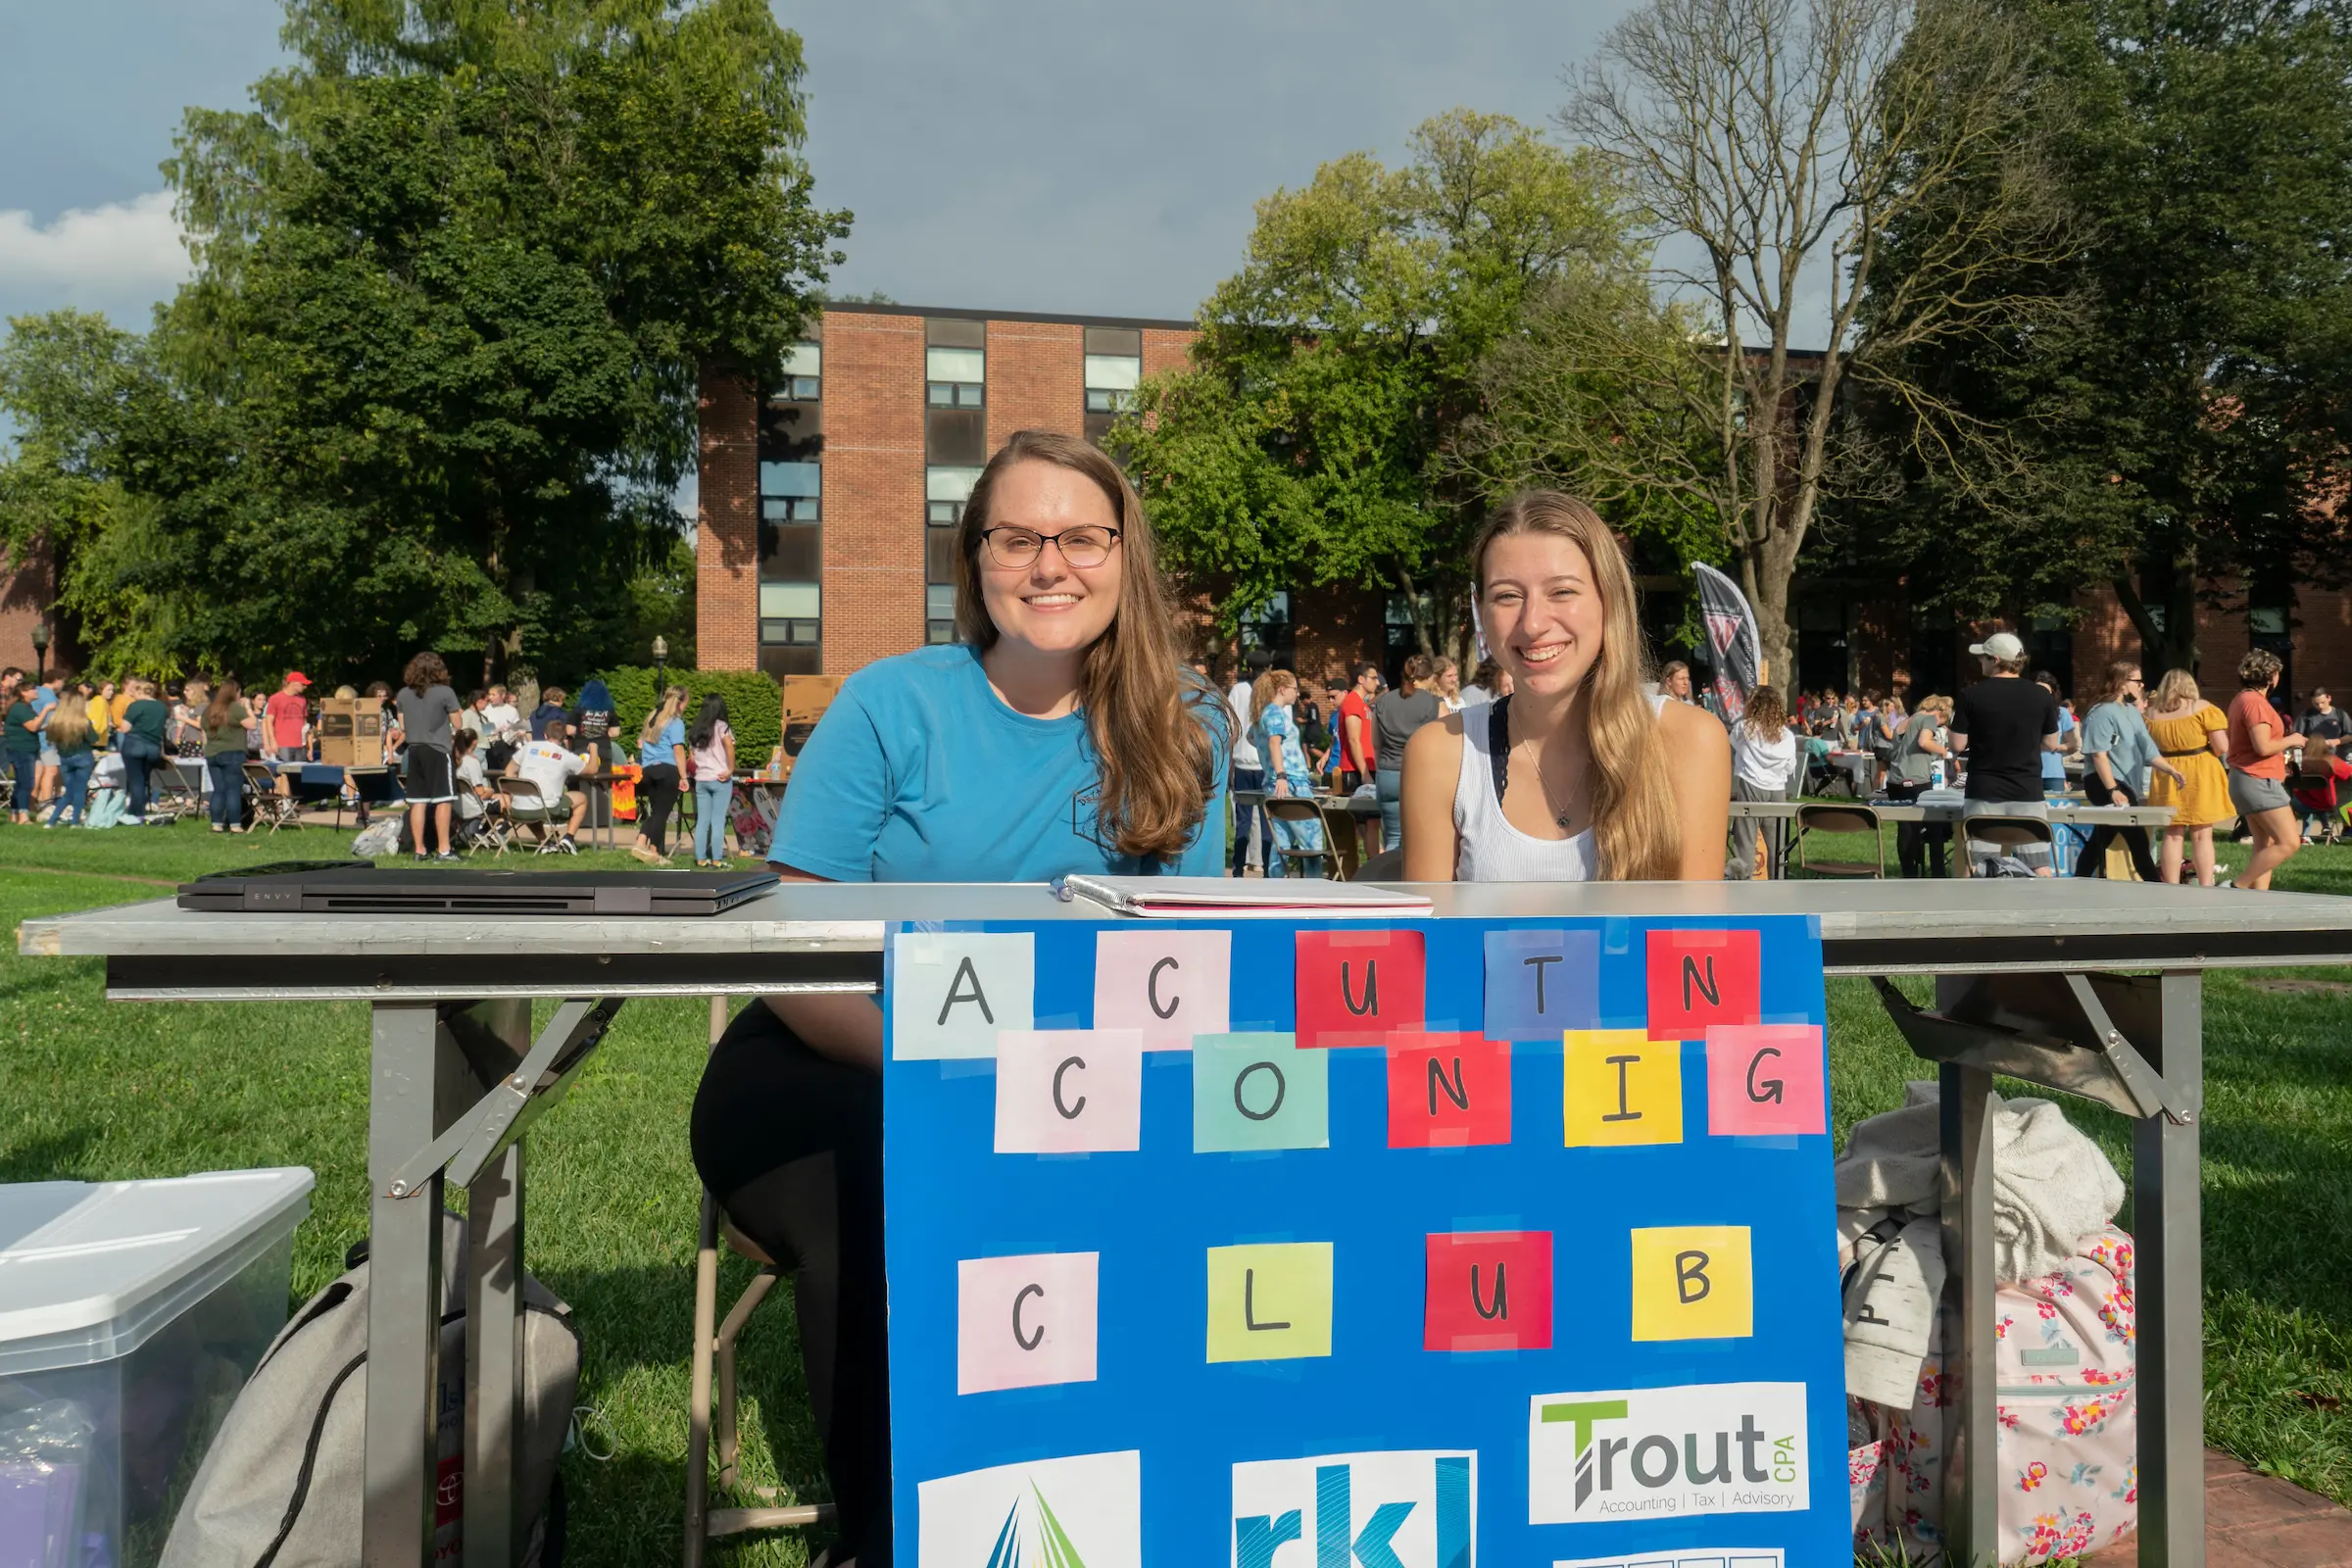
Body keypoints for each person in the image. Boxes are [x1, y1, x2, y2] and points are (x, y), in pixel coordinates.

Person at [689, 428, 1227, 1568]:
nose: (1050, 564)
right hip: (841, 1056)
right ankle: (888, 1536)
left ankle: (1132, 1499)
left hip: (1084, 1082)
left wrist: (1059, 1089)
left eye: (1081, 536)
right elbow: (792, 951)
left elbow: (1187, 964)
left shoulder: (1187, 728)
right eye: (1016, 537)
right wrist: (954, 1077)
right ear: (972, 560)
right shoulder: (892, 705)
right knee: (893, 1171)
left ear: (1125, 556)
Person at [1400, 491, 1730, 881]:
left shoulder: (1689, 741)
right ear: (1481, 610)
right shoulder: (1440, 752)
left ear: (1609, 600)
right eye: (1507, 596)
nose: (1533, 623)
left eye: (1562, 591)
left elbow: (1694, 937)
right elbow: (1430, 940)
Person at [1948, 631, 2063, 875]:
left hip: (1984, 791)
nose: (1980, 661)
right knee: (2039, 865)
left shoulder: (1971, 695)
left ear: (1996, 660)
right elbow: (2052, 743)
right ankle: (2047, 910)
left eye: (1984, 657)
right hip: (2027, 791)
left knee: (1975, 864)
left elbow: (1957, 745)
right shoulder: (2041, 695)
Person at [2075, 662, 2182, 881]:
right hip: (2104, 782)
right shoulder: (2101, 712)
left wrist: (2171, 770)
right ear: (2122, 684)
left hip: (2124, 783)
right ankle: (2157, 889)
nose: (2142, 685)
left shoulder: (2132, 712)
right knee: (2138, 841)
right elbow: (2098, 755)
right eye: (2136, 681)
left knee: (2102, 839)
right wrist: (2112, 789)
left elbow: (2148, 749)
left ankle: (2080, 879)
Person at [2143, 668, 2230, 887]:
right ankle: (2206, 884)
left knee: (2172, 834)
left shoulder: (2151, 715)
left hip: (2166, 771)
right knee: (2202, 833)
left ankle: (2172, 885)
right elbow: (2222, 747)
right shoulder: (2202, 708)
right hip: (2200, 768)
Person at [2226, 648, 2304, 890]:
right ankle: (2236, 886)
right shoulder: (2256, 704)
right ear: (2272, 676)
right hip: (2258, 780)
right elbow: (2263, 746)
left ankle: (2257, 900)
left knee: (2264, 843)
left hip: (2246, 778)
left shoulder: (2241, 699)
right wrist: (2293, 740)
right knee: (2289, 842)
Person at [1250, 667, 1323, 876]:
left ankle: (1276, 886)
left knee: (1280, 841)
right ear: (1282, 689)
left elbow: (1252, 738)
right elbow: (1274, 743)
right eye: (1294, 688)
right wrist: (1281, 774)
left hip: (1276, 784)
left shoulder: (1263, 714)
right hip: (1290, 782)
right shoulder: (1274, 713)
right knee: (1311, 839)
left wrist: (1270, 765)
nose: (1297, 693)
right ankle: (1315, 887)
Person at [395, 652, 464, 861]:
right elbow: (459, 724)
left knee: (418, 801)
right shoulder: (445, 692)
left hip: (414, 750)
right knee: (444, 800)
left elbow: (403, 725)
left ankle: (420, 850)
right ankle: (444, 849)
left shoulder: (403, 694)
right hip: (437, 749)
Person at [1725, 684, 1797, 879]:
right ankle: (1779, 881)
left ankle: (1742, 883)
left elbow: (1733, 746)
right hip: (1777, 789)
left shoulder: (1744, 728)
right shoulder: (1787, 735)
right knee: (1777, 844)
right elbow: (1790, 766)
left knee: (1745, 840)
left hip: (1751, 783)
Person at [1372, 653, 1441, 852]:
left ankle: (1390, 881)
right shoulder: (1435, 703)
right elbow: (1444, 744)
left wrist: (1381, 770)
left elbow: (1376, 743)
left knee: (1392, 839)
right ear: (1429, 678)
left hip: (1388, 774)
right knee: (1421, 842)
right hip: (1421, 776)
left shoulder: (1383, 701)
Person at [1886, 694, 1953, 877]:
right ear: (1940, 712)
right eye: (1942, 720)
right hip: (1917, 781)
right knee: (1935, 825)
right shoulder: (1929, 718)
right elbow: (1924, 741)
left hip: (1895, 781)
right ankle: (1938, 873)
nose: (1938, 725)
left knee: (1906, 829)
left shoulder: (1904, 722)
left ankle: (1909, 873)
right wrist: (1944, 752)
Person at [508, 720, 595, 849]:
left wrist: (513, 793)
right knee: (581, 798)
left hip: (519, 807)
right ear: (564, 737)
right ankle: (569, 838)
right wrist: (594, 750)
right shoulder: (566, 756)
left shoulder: (529, 747)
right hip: (545, 808)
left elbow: (509, 771)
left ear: (545, 735)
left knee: (529, 801)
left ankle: (545, 843)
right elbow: (592, 769)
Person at [631, 684, 689, 865]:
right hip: (668, 770)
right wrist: (684, 776)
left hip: (649, 770)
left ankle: (653, 852)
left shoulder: (652, 720)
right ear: (681, 703)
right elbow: (678, 750)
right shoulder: (676, 723)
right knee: (661, 814)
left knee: (657, 812)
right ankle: (643, 844)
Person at [1226, 658, 1269, 875]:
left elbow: (1230, 724)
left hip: (1242, 762)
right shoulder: (1272, 690)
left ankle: (1237, 869)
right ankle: (1268, 867)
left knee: (1242, 820)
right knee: (1267, 819)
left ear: (1249, 669)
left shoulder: (1239, 689)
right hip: (1266, 765)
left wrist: (1230, 757)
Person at [689, 694, 737, 867]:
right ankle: (717, 859)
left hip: (701, 779)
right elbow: (729, 746)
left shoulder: (696, 730)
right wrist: (730, 769)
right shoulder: (722, 726)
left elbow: (692, 758)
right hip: (720, 778)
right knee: (718, 821)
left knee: (702, 821)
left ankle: (700, 858)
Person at [201, 679, 254, 834]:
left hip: (212, 753)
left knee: (219, 790)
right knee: (233, 790)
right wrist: (248, 708)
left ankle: (216, 824)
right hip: (232, 753)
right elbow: (252, 724)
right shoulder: (235, 708)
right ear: (235, 692)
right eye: (239, 692)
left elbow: (203, 727)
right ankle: (235, 825)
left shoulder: (209, 709)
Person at [115, 677, 168, 825]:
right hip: (153, 747)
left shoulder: (136, 706)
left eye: (134, 692)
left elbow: (125, 728)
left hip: (135, 745)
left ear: (140, 691)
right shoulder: (162, 707)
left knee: (135, 781)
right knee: (144, 781)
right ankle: (133, 811)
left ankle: (138, 814)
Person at [40, 703, 96, 827]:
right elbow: (94, 738)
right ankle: (75, 821)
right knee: (80, 791)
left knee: (69, 792)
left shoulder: (56, 722)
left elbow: (49, 739)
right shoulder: (83, 722)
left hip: (65, 758)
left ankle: (52, 821)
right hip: (83, 757)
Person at [2291, 737, 2352, 842]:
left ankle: (2321, 830)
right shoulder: (2331, 760)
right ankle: (2347, 830)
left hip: (2303, 803)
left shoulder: (2302, 762)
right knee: (2347, 799)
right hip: (2328, 803)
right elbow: (2348, 773)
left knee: (2312, 801)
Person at [1334, 662, 1378, 793]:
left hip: (1365, 768)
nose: (1378, 682)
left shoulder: (1362, 704)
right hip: (1355, 771)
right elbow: (1353, 740)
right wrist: (1365, 773)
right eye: (1374, 678)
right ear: (1361, 679)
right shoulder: (1352, 701)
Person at [2033, 671, 2079, 798]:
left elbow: (2073, 745)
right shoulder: (2025, 711)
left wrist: (2055, 747)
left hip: (2053, 772)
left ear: (2053, 692)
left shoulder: (2062, 713)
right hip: (2029, 772)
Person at [3, 670, 38, 824]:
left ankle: (14, 813)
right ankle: (23, 816)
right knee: (26, 783)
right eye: (32, 689)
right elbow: (33, 726)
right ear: (24, 693)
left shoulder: (26, 707)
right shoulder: (20, 708)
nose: (36, 691)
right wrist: (46, 711)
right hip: (21, 749)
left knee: (20, 782)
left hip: (23, 748)